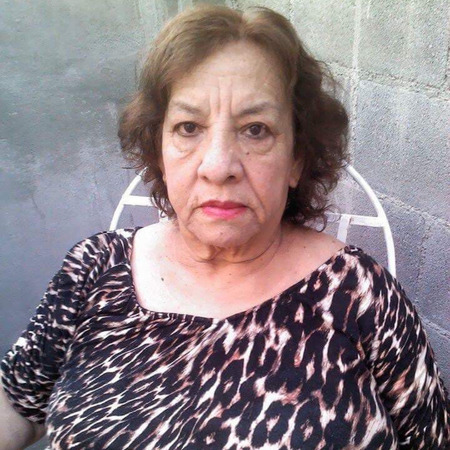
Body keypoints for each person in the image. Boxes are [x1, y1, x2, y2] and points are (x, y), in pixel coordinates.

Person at [1, 4, 449, 449]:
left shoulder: (360, 294)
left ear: (296, 158)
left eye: (255, 130)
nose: (218, 166)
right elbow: (17, 401)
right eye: (188, 127)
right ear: (159, 150)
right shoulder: (95, 267)